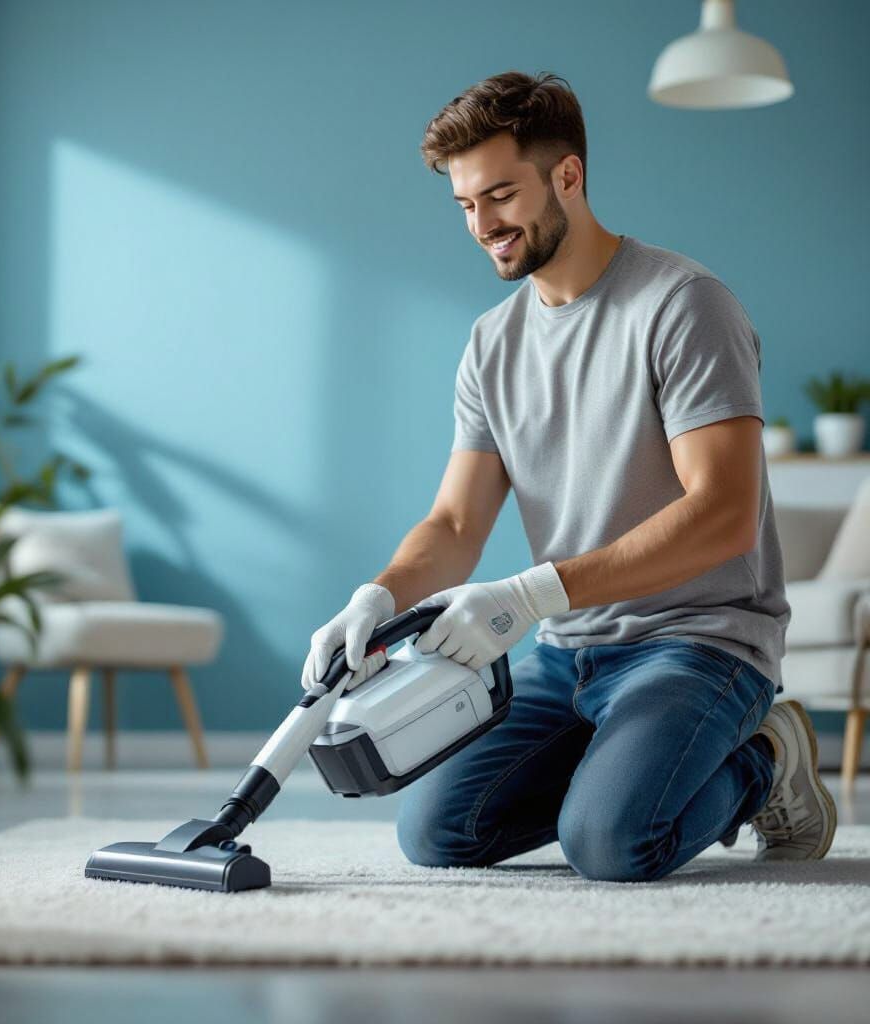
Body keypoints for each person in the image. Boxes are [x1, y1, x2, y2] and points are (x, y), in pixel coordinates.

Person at [300, 71, 836, 881]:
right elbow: (453, 526)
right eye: (465, 206)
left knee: (612, 845)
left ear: (568, 177)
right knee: (441, 837)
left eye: (501, 195)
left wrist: (526, 598)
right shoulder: (492, 342)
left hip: (698, 643)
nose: (483, 225)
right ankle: (625, 766)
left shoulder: (683, 305)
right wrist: (377, 598)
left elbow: (723, 513)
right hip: (566, 651)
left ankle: (763, 756)